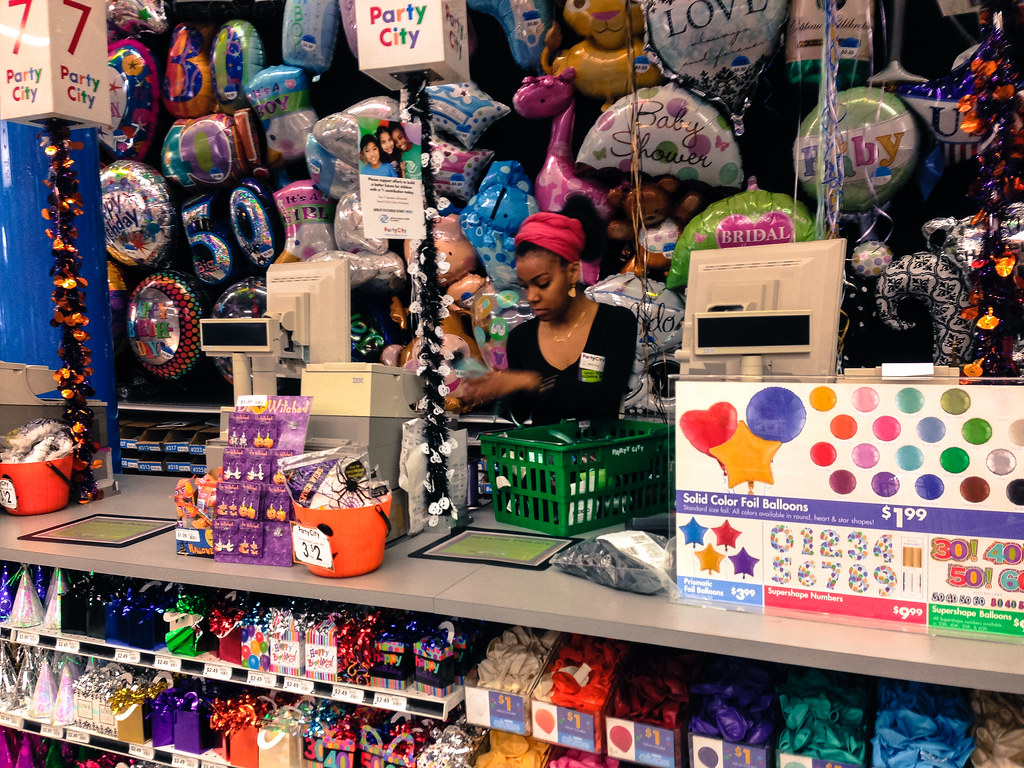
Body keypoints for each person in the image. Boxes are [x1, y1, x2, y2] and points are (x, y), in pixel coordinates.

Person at [459, 197, 637, 424]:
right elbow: (521, 414)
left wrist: (530, 381)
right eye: (525, 286)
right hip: (545, 457)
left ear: (572, 272)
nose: (532, 296)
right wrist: (497, 387)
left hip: (600, 455)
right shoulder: (521, 339)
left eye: (543, 283)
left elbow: (605, 398)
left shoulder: (615, 323)